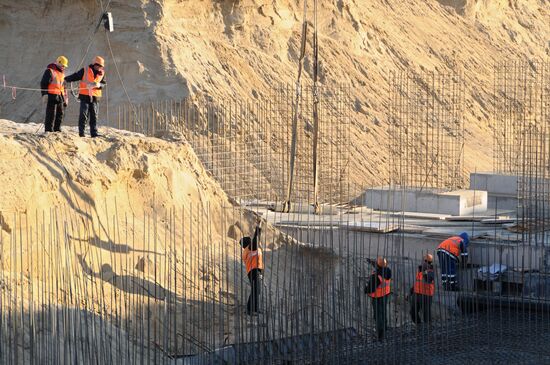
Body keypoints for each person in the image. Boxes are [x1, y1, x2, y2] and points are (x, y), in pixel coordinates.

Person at [64, 56, 106, 137]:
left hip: (95, 97)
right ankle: (81, 133)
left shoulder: (102, 73)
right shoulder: (85, 70)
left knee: (94, 116)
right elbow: (75, 76)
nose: (100, 67)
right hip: (85, 96)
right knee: (83, 115)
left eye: (101, 66)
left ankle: (94, 133)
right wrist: (66, 79)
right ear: (94, 64)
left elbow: (104, 84)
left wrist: (99, 85)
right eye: (99, 65)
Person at [365, 256, 392, 340]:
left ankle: (380, 334)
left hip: (377, 297)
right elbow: (380, 268)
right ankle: (385, 328)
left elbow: (370, 289)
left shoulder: (376, 276)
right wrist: (371, 262)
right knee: (383, 312)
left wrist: (365, 289)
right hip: (386, 295)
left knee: (377, 315)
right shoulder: (388, 271)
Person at [40, 56, 69, 132]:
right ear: (58, 63)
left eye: (64, 66)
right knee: (51, 114)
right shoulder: (50, 71)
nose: (64, 67)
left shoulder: (62, 74)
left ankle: (57, 129)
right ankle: (49, 130)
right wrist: (44, 94)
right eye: (63, 65)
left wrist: (65, 98)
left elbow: (64, 87)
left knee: (60, 114)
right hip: (52, 96)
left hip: (60, 97)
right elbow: (43, 83)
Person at [240, 222, 263, 316]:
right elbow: (256, 239)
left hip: (253, 271)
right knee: (255, 290)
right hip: (254, 271)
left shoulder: (248, 250)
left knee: (257, 290)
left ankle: (255, 309)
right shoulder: (251, 248)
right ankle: (249, 310)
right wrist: (258, 228)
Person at [410, 254, 435, 324]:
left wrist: (425, 271)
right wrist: (411, 291)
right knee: (412, 312)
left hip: (426, 295)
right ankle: (419, 325)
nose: (423, 262)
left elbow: (428, 279)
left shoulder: (431, 270)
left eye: (425, 261)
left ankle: (428, 329)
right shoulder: (420, 270)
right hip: (416, 293)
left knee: (426, 315)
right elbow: (418, 282)